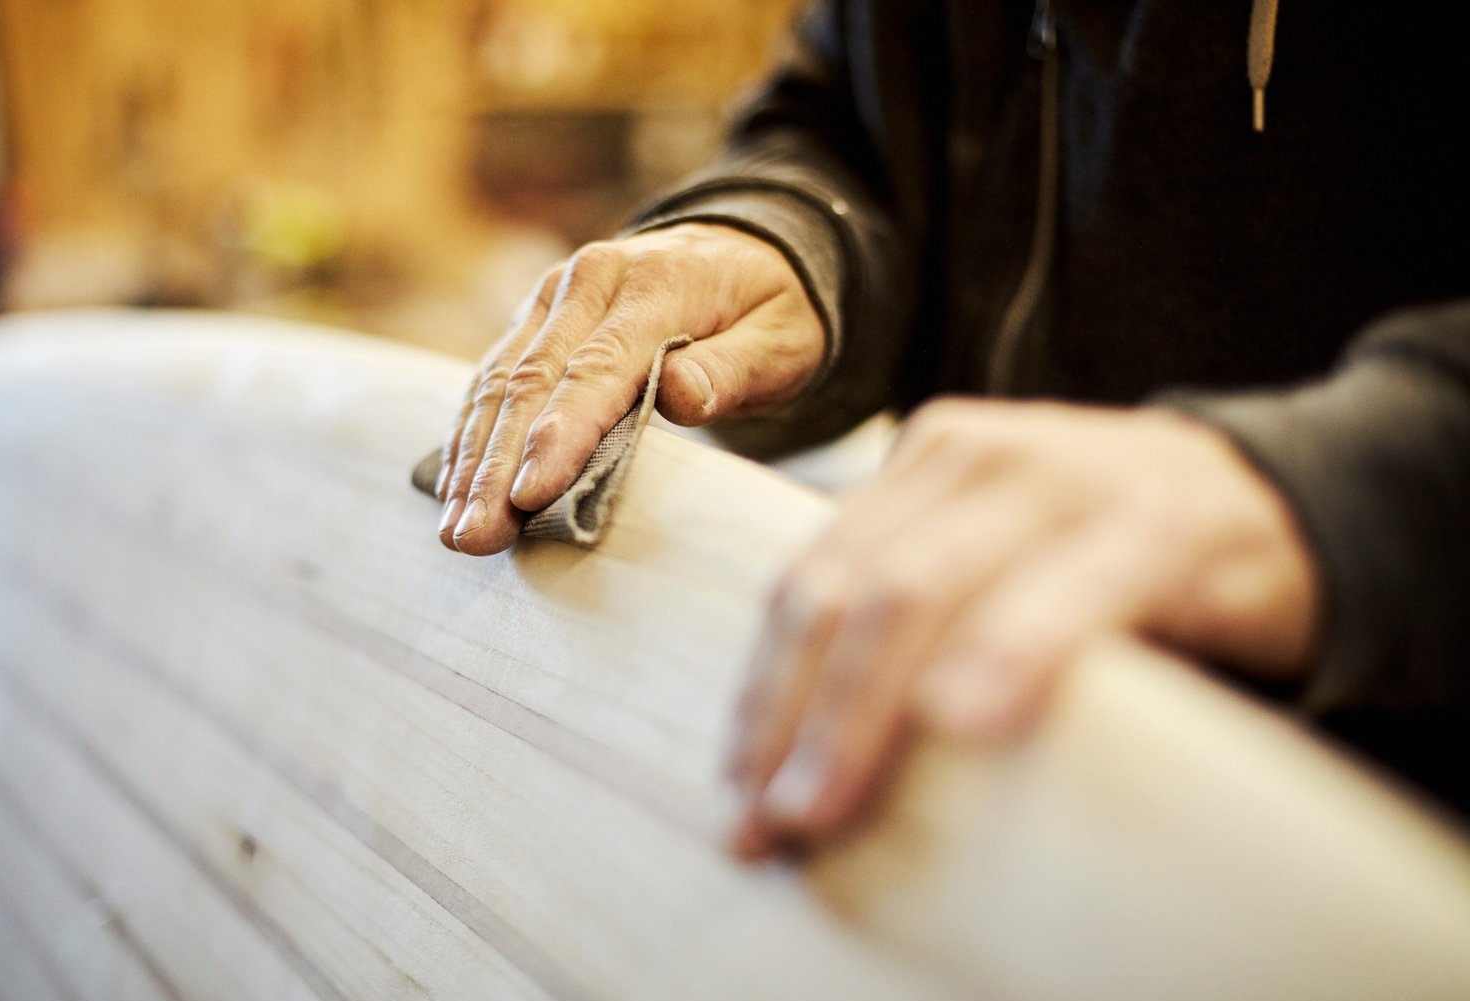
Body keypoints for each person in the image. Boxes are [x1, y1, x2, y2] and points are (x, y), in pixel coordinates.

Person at [432, 1, 1470, 856]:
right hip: (976, 791)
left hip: (1387, 842)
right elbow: (841, 114)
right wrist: (782, 234)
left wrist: (1335, 487)